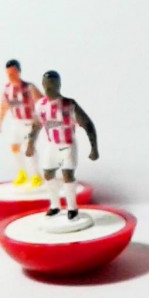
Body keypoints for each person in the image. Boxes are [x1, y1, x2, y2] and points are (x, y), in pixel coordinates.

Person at [26, 70, 98, 220]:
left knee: (67, 174)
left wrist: (94, 148)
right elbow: (36, 126)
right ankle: (55, 206)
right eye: (47, 85)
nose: (49, 88)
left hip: (68, 145)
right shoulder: (40, 105)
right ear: (43, 85)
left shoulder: (69, 105)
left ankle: (72, 208)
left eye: (52, 84)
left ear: (59, 85)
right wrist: (30, 144)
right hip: (52, 145)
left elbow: (87, 124)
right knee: (48, 173)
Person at [0, 59, 43, 187]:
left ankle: (35, 175)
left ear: (19, 72)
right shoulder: (7, 89)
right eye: (8, 73)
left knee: (28, 148)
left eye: (13, 73)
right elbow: (4, 107)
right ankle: (22, 173)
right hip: (16, 122)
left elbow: (42, 103)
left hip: (30, 123)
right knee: (14, 147)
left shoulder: (29, 88)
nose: (11, 76)